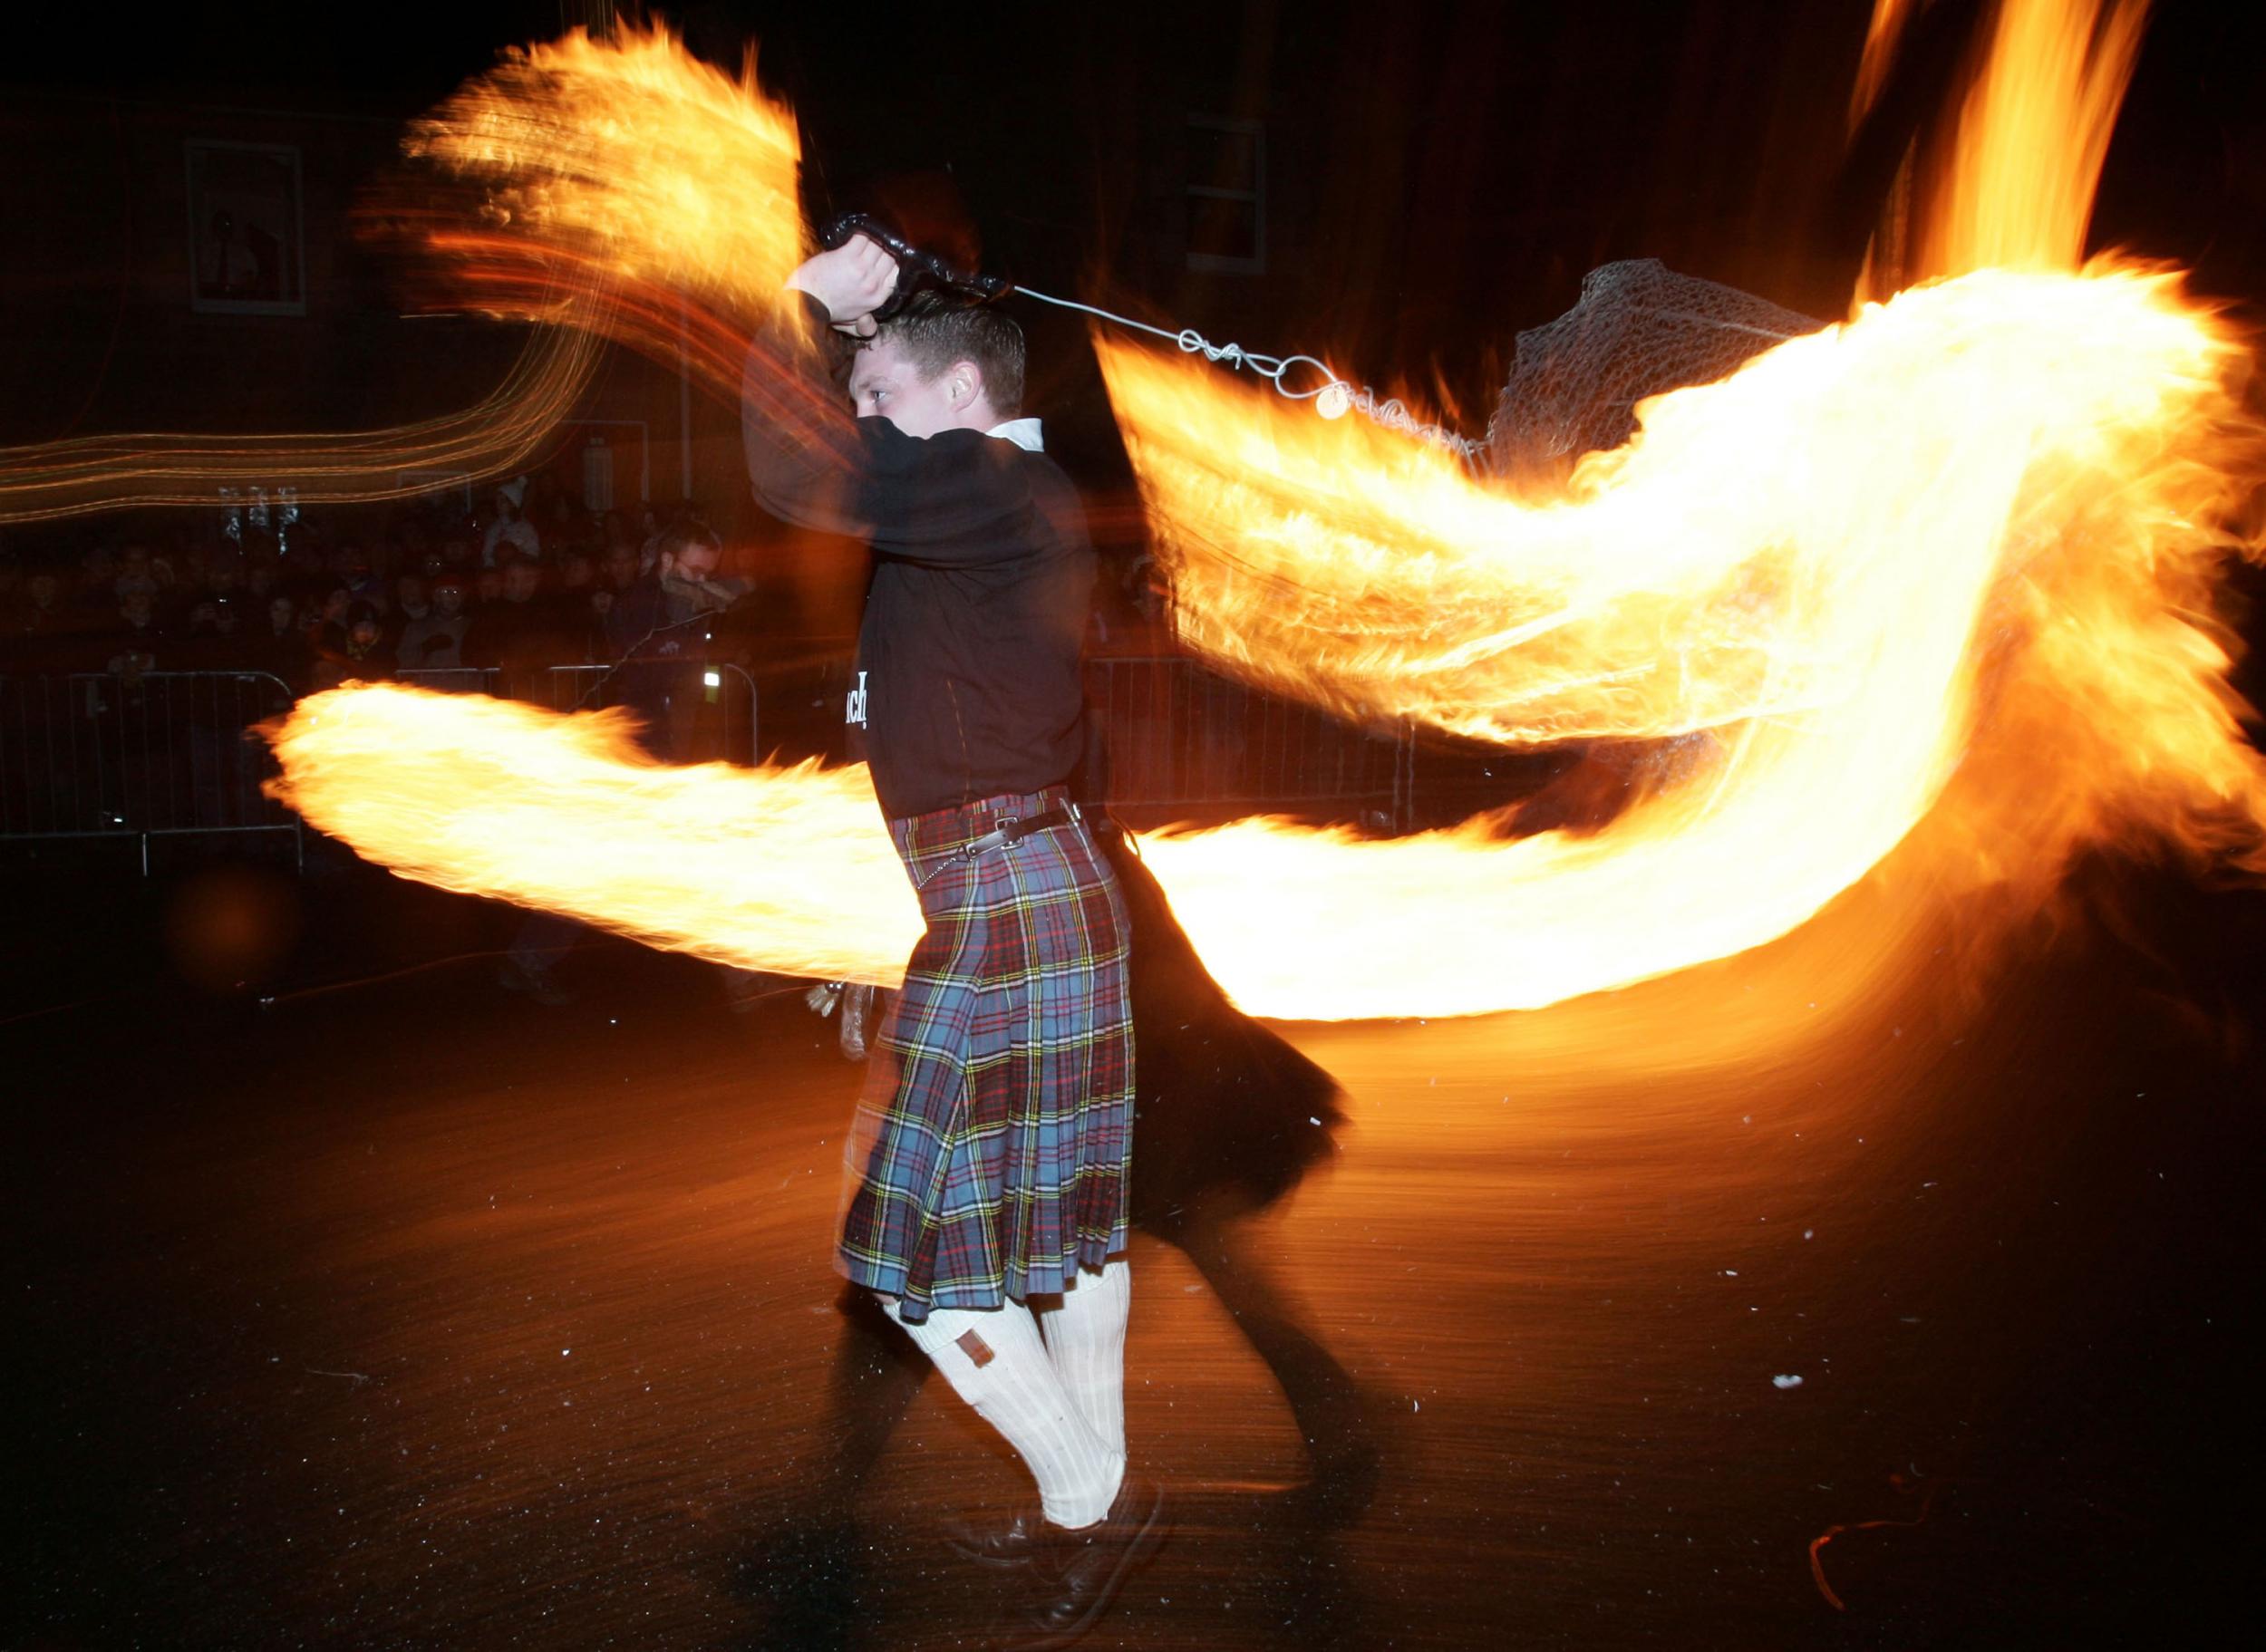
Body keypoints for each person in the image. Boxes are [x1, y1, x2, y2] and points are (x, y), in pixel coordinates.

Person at [742, 234, 1160, 1647]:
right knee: (1061, 1228)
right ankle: (1090, 1507)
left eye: (881, 395)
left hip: (1004, 892)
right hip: (1011, 884)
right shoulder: (1001, 502)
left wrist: (807, 315)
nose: (861, 419)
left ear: (964, 394)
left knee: (911, 1256)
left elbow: (799, 470)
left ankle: (1079, 1476)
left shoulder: (989, 487)